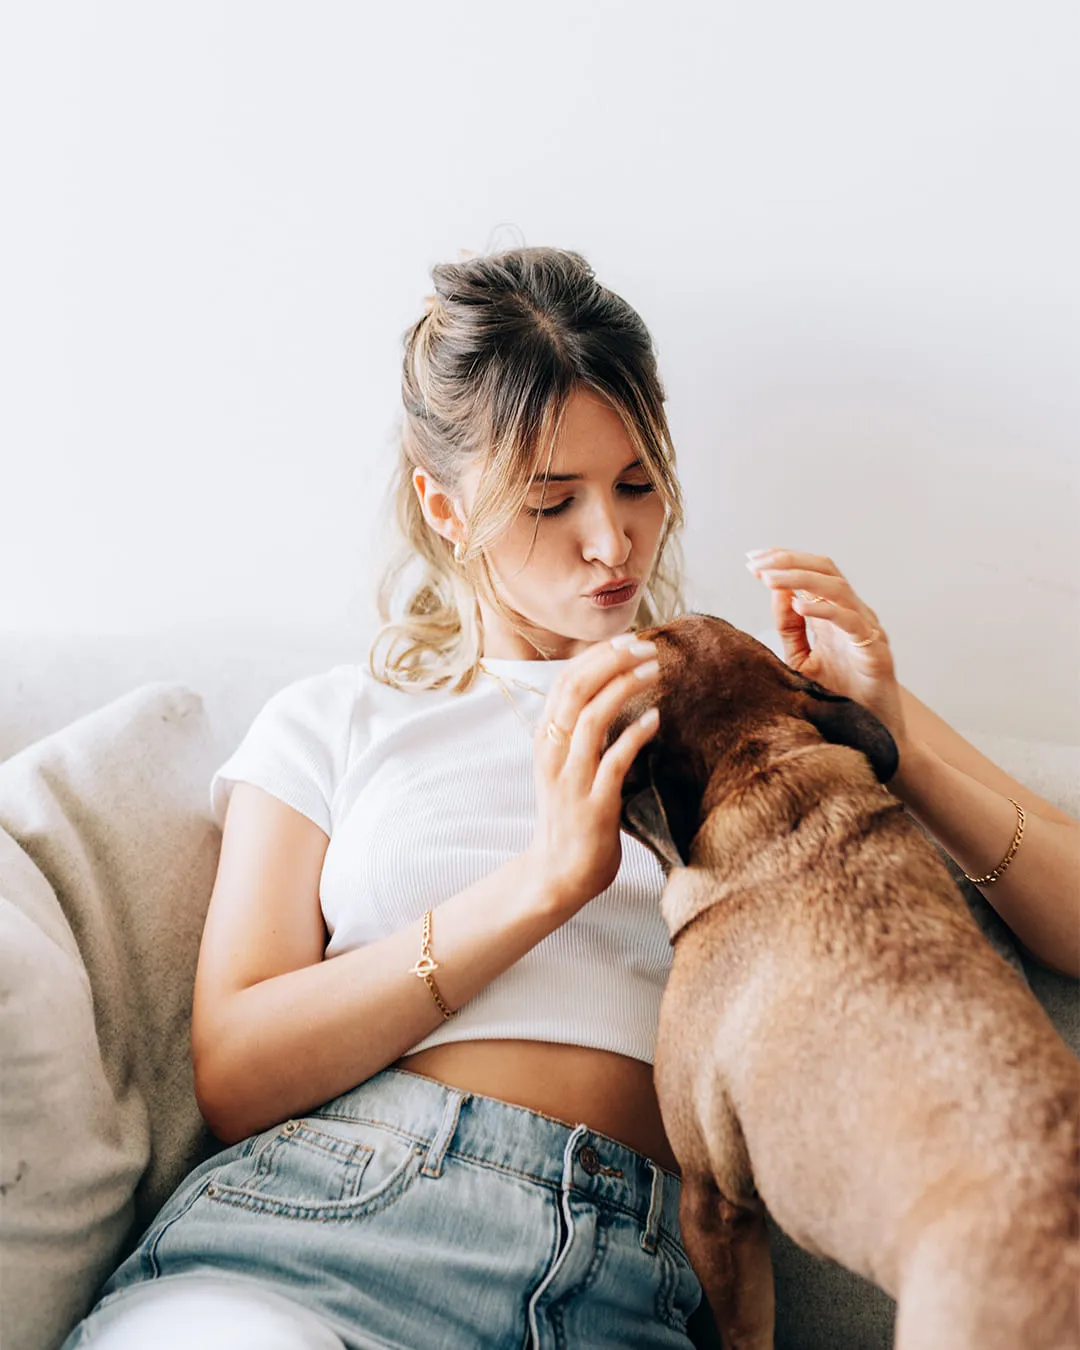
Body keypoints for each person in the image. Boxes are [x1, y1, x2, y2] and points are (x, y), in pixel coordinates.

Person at [61, 247, 1079, 1350]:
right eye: (553, 501)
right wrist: (545, 883)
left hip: (632, 1283)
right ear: (444, 507)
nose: (615, 542)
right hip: (341, 1224)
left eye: (638, 484)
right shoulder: (337, 718)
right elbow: (237, 1072)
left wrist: (893, 732)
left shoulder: (736, 712)